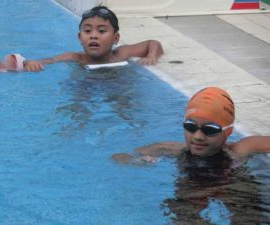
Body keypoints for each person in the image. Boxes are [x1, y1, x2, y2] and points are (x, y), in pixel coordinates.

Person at [112, 87, 270, 224]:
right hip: (194, 189)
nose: (198, 136)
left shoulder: (242, 149)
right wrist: (138, 161)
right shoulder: (171, 149)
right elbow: (119, 157)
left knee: (250, 214)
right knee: (183, 216)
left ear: (227, 131)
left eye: (210, 129)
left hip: (233, 188)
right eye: (190, 127)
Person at [24, 6, 164, 72]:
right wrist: (30, 62)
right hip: (85, 86)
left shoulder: (121, 53)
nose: (93, 35)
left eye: (102, 31)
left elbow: (153, 43)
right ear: (80, 37)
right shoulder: (74, 57)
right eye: (87, 31)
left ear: (115, 38)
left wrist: (152, 56)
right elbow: (50, 60)